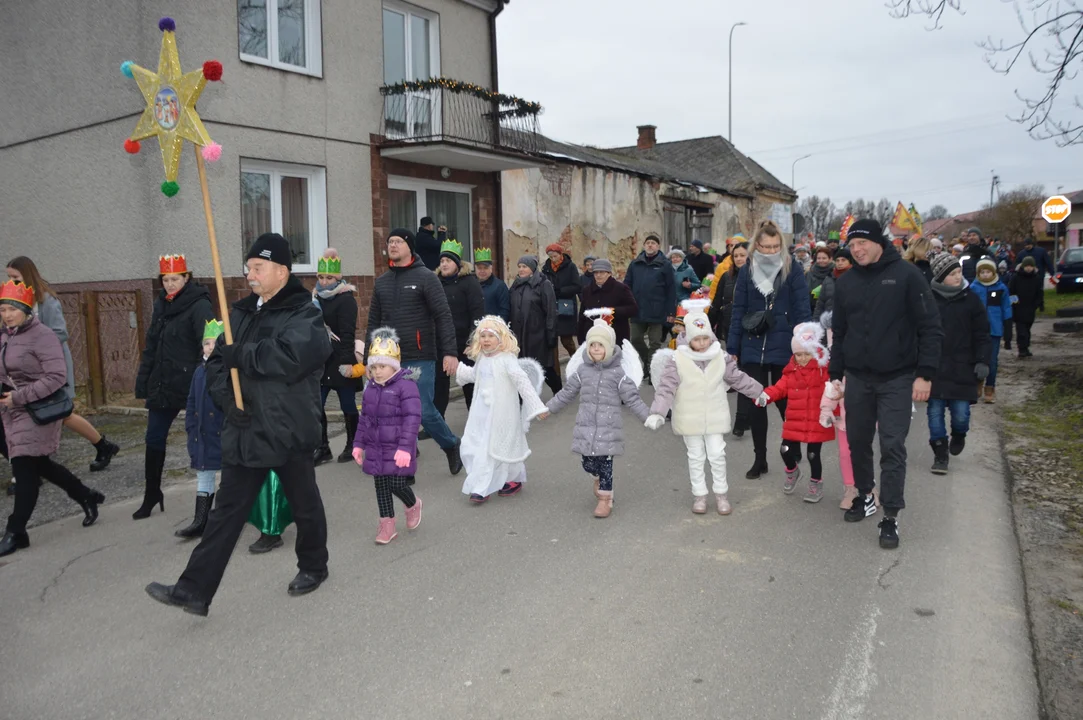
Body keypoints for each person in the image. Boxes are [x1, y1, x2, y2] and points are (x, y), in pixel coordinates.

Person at [145, 233, 333, 615]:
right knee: (226, 512)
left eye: (258, 268)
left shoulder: (304, 311)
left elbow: (292, 356)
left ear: (281, 271)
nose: (250, 275)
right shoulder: (242, 311)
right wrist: (229, 402)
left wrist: (240, 355)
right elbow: (216, 365)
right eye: (249, 268)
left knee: (304, 504)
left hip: (287, 427)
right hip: (246, 428)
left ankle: (313, 566)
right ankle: (193, 591)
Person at [830, 218, 942, 550]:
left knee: (892, 445)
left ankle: (890, 515)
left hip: (897, 376)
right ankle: (865, 495)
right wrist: (835, 374)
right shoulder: (846, 282)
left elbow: (930, 327)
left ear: (880, 242)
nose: (857, 250)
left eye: (862, 243)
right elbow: (840, 331)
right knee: (858, 442)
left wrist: (926, 373)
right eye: (851, 246)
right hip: (859, 378)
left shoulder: (907, 276)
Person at [1, 280, 105, 556]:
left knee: (25, 470)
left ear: (26, 309)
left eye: (13, 309)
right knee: (40, 465)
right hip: (9, 413)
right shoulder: (4, 336)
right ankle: (85, 495)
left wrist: (19, 397)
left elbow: (56, 377)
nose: (7, 314)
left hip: (37, 412)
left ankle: (16, 531)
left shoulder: (42, 336)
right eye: (3, 309)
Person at [646, 303, 767, 515]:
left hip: (715, 414)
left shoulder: (720, 356)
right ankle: (699, 495)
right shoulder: (678, 359)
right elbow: (667, 388)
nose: (701, 344)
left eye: (705, 338)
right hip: (688, 416)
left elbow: (737, 378)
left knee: (717, 454)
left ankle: (721, 494)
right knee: (695, 456)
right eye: (696, 339)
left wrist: (758, 391)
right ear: (689, 338)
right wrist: (658, 412)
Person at [6, 257, 120, 474]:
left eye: (16, 277)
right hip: (28, 371)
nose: (12, 281)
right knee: (38, 415)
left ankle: (102, 446)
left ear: (28, 275)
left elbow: (60, 333)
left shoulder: (46, 301)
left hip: (50, 368)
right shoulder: (16, 302)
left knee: (60, 412)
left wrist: (31, 344)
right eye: (9, 277)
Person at [365, 228, 463, 475]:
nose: (393, 245)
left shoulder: (426, 278)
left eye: (399, 241)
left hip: (420, 355)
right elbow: (373, 322)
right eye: (390, 242)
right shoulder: (382, 282)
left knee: (424, 412)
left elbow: (443, 316)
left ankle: (451, 445)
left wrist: (450, 352)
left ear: (410, 247)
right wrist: (371, 358)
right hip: (389, 358)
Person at [541, 312, 650, 518]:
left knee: (606, 463)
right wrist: (550, 408)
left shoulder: (618, 374)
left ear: (608, 348)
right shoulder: (582, 371)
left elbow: (633, 398)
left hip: (609, 428)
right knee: (588, 463)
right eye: (592, 345)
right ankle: (597, 477)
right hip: (587, 425)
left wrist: (648, 416)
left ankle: (605, 499)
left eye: (600, 345)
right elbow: (566, 393)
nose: (596, 349)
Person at [727, 220, 811, 479]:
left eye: (775, 246)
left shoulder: (791, 268)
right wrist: (732, 347)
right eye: (765, 246)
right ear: (757, 245)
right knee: (757, 402)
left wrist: (805, 344)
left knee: (786, 401)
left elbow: (802, 307)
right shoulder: (747, 269)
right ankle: (759, 458)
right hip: (752, 342)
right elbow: (738, 308)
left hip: (784, 342)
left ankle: (793, 444)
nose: (770, 250)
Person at [134, 253, 215, 520]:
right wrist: (144, 381)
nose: (169, 284)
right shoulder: (161, 305)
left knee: (204, 437)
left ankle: (213, 499)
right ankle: (152, 493)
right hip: (163, 382)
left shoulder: (198, 304)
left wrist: (207, 379)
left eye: (175, 279)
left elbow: (210, 343)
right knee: (153, 438)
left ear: (186, 278)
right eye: (166, 279)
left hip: (192, 382)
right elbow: (152, 345)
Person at [454, 316, 547, 503]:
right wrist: (458, 370)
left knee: (499, 446)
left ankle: (495, 483)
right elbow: (475, 375)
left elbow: (522, 382)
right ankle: (484, 483)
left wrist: (536, 407)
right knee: (477, 444)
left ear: (501, 338)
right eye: (483, 335)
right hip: (481, 412)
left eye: (491, 336)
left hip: (502, 412)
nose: (486, 340)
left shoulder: (507, 360)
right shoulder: (481, 359)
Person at [351, 327, 422, 545]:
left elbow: (412, 418)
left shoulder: (406, 386)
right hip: (375, 446)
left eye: (382, 366)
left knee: (396, 483)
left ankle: (413, 504)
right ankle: (387, 525)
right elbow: (364, 420)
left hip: (398, 446)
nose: (378, 371)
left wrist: (405, 448)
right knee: (380, 486)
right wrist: (358, 444)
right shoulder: (370, 388)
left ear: (393, 366)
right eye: (374, 367)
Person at [925, 254, 991, 475]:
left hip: (963, 365)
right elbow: (919, 333)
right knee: (934, 414)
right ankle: (940, 454)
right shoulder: (928, 300)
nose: (958, 277)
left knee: (961, 414)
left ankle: (959, 433)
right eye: (952, 274)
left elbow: (982, 333)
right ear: (941, 277)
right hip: (934, 366)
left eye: (958, 272)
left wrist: (982, 361)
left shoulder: (971, 299)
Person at [758, 321, 835, 503]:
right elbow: (779, 388)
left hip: (816, 420)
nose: (802, 358)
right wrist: (765, 396)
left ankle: (816, 483)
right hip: (794, 418)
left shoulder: (824, 371)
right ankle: (792, 471)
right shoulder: (791, 372)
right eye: (798, 354)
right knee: (785, 449)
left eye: (806, 354)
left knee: (812, 455)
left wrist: (832, 412)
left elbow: (834, 392)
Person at [175, 320, 226, 539]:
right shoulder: (198, 372)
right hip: (201, 434)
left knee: (229, 476)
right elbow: (192, 401)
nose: (210, 347)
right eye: (207, 343)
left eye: (215, 343)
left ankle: (225, 519)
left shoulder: (227, 370)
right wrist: (191, 426)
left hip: (221, 432)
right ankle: (200, 520)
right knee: (204, 475)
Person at [311, 248, 361, 466]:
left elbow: (348, 333)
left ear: (338, 277)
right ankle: (323, 448)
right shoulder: (315, 299)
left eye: (329, 277)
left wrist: (347, 363)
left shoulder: (346, 299)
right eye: (321, 277)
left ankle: (353, 444)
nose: (324, 281)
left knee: (347, 404)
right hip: (321, 360)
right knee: (316, 404)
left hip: (341, 359)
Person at [433, 239, 485, 416]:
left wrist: (473, 341)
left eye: (448, 261)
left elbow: (477, 314)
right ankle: (437, 424)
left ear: (457, 263)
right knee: (439, 384)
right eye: (442, 261)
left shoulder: (469, 283)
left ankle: (477, 419)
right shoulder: (435, 283)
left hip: (464, 341)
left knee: (469, 382)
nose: (444, 264)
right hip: (440, 342)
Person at [509, 255, 561, 395]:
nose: (521, 269)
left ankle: (559, 391)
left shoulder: (544, 284)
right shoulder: (516, 284)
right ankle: (525, 397)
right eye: (519, 266)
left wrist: (551, 334)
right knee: (522, 367)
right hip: (519, 334)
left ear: (532, 269)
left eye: (524, 267)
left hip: (538, 334)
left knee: (543, 367)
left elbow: (551, 310)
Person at [624, 234, 676, 372]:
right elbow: (627, 285)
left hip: (657, 310)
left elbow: (671, 289)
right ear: (644, 246)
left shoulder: (665, 264)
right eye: (648, 243)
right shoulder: (635, 264)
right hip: (637, 309)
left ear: (658, 247)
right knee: (635, 339)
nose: (650, 245)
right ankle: (648, 363)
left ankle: (652, 370)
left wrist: (671, 312)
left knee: (655, 342)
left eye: (653, 243)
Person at [970, 257, 1012, 404]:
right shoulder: (973, 288)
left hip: (994, 330)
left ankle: (990, 387)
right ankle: (977, 383)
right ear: (978, 273)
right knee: (977, 358)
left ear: (993, 272)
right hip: (977, 331)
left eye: (988, 271)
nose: (985, 275)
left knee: (992, 361)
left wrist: (1008, 331)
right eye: (982, 272)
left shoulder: (1001, 288)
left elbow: (1006, 308)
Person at [577, 258, 638, 346]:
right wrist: (581, 339)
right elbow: (582, 314)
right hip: (593, 336)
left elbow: (633, 309)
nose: (598, 275)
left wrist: (611, 311)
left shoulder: (621, 289)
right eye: (596, 272)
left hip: (616, 335)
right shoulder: (587, 290)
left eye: (602, 272)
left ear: (609, 273)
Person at [541, 243, 582, 363]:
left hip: (566, 305)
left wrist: (560, 291)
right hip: (551, 306)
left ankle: (576, 361)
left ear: (560, 254)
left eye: (555, 256)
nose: (553, 259)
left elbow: (577, 286)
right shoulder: (546, 268)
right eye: (550, 256)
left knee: (566, 339)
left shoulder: (570, 267)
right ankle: (555, 369)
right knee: (552, 339)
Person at [709, 241, 748, 342]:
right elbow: (716, 304)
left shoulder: (757, 277)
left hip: (749, 327)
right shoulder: (726, 277)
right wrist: (708, 327)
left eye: (742, 255)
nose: (738, 259)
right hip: (729, 326)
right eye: (735, 256)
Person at [1009, 256, 1044, 358]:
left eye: (1030, 266)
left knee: (1027, 329)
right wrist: (1014, 303)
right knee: (1021, 331)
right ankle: (1022, 349)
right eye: (1027, 266)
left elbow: (1039, 292)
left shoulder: (1036, 278)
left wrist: (1040, 304)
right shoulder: (1016, 277)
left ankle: (1026, 347)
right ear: (1023, 266)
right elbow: (1011, 291)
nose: (1028, 268)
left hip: (1030, 308)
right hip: (1018, 308)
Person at [474, 248, 510, 321]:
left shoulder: (500, 286)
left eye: (485, 268)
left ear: (491, 268)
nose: (482, 271)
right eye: (479, 268)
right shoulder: (472, 286)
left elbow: (504, 311)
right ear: (475, 269)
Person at [815, 247, 852, 317]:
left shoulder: (855, 277)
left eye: (843, 260)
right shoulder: (829, 278)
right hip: (828, 319)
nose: (840, 263)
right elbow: (820, 304)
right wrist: (815, 322)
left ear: (849, 261)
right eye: (837, 260)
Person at [806, 246, 834, 313]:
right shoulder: (809, 273)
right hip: (812, 310)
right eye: (819, 258)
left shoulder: (835, 273)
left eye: (824, 258)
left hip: (830, 311)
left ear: (830, 259)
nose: (821, 260)